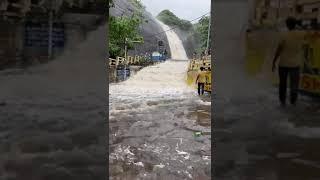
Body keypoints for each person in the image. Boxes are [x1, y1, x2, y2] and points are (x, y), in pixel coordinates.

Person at [272, 17, 306, 106]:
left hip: (283, 64)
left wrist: (274, 61)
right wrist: (298, 26)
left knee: (282, 84)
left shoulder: (284, 35)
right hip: (295, 64)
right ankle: (293, 103)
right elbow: (305, 30)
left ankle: (282, 102)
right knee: (294, 85)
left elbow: (278, 50)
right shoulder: (301, 34)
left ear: (287, 25)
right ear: (295, 24)